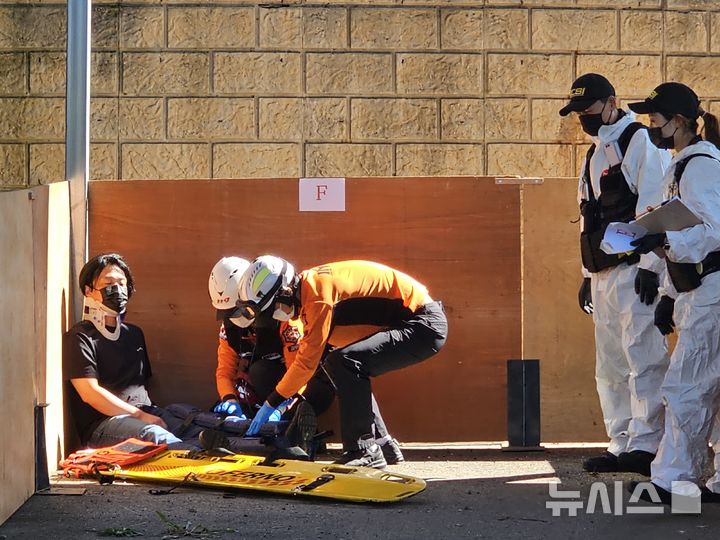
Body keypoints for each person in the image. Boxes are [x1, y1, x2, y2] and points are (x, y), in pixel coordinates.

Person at [558, 73, 671, 475]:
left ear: (610, 102)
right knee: (609, 364)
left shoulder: (637, 141)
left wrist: (651, 268)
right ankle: (621, 440)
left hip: (633, 269)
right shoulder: (594, 153)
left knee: (644, 357)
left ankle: (647, 443)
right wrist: (586, 275)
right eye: (577, 112)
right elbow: (589, 218)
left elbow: (655, 207)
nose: (583, 117)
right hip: (603, 273)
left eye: (587, 109)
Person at [237, 256, 448, 468]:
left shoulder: (317, 295)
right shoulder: (311, 292)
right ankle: (383, 445)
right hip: (417, 323)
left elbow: (306, 364)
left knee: (346, 361)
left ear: (286, 291)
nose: (276, 316)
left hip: (424, 325)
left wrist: (271, 403)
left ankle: (363, 450)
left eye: (274, 308)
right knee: (338, 364)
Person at [627, 82, 720, 503]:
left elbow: (712, 230)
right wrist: (667, 290)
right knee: (709, 388)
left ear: (678, 121)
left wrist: (662, 241)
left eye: (656, 117)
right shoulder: (684, 163)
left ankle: (673, 482)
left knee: (687, 385)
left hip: (709, 290)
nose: (650, 125)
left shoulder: (700, 165)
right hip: (696, 289)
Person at [208, 256, 335, 455]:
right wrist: (229, 400)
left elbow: (301, 369)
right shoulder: (229, 328)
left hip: (310, 384)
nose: (232, 319)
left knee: (261, 370)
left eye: (236, 311)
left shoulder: (284, 318)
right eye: (226, 314)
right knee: (243, 387)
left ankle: (298, 434)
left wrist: (279, 407)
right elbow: (224, 370)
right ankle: (260, 437)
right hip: (272, 393)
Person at [64, 253, 190, 449]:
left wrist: (153, 415)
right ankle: (200, 464)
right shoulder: (80, 337)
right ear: (88, 290)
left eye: (122, 283)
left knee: (193, 428)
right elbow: (89, 393)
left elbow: (142, 388)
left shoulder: (134, 334)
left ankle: (221, 460)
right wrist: (139, 416)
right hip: (103, 425)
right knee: (155, 435)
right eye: (109, 283)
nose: (117, 289)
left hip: (146, 412)